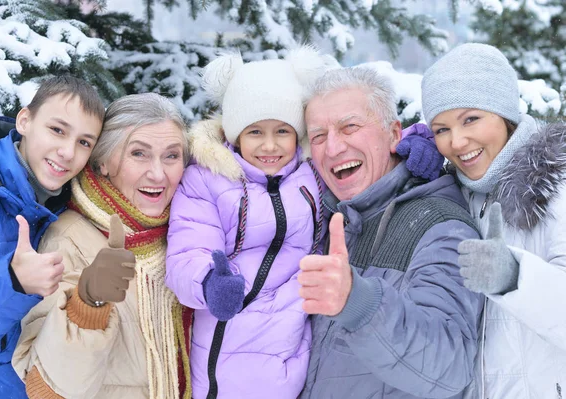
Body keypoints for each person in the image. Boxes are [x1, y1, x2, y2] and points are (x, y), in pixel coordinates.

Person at [166, 46, 444, 399]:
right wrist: (207, 281)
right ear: (235, 134)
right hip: (223, 357)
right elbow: (188, 246)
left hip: (289, 358)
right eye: (255, 132)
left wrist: (413, 143)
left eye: (282, 131)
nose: (269, 145)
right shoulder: (207, 179)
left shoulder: (311, 175)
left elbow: (362, 151)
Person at [298, 67, 484, 398]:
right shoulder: (318, 222)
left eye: (350, 127)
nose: (333, 148)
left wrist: (358, 302)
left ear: (394, 134)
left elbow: (450, 365)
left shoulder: (439, 224)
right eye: (318, 137)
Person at [12, 93, 192, 399]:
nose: (159, 173)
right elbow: (46, 390)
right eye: (139, 154)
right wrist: (87, 304)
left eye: (172, 156)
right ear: (104, 162)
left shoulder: (191, 236)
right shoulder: (69, 237)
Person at [421, 43, 566, 398]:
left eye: (471, 119)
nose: (457, 141)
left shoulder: (555, 185)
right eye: (440, 129)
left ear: (504, 114)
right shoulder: (456, 196)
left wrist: (515, 277)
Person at [0, 75, 104, 399]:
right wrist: (13, 283)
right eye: (57, 130)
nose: (68, 151)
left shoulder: (69, 206)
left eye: (84, 142)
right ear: (25, 120)